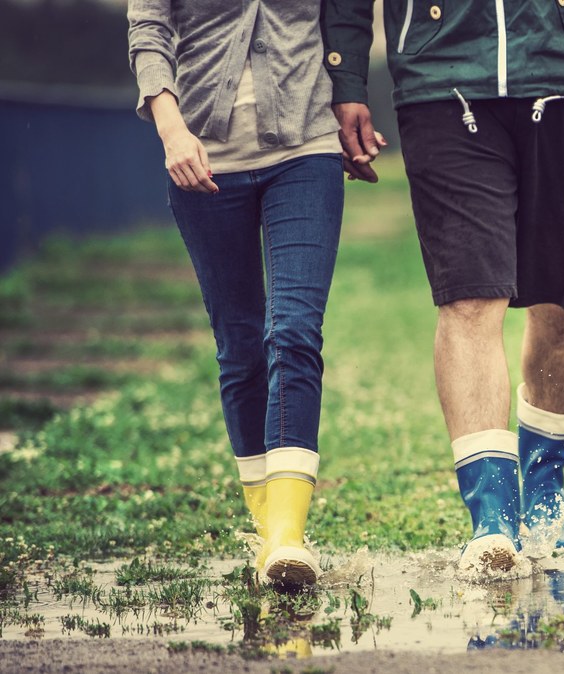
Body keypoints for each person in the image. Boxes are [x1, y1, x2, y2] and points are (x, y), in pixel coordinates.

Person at [319, 0, 564, 574]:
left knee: (562, 298)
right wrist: (347, 77)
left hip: (561, 68)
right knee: (468, 297)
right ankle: (492, 518)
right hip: (440, 75)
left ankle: (545, 490)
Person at [128, 0, 366, 589]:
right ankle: (268, 534)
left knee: (294, 330)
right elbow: (149, 27)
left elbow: (345, 15)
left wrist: (351, 97)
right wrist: (172, 130)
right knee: (239, 347)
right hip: (203, 160)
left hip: (305, 152)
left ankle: (288, 540)